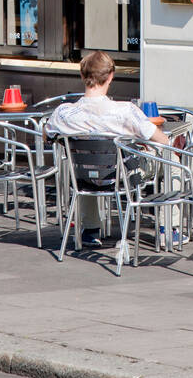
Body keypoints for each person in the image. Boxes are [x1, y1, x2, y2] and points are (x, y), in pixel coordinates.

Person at [45, 50, 170, 248]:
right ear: (110, 76)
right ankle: (170, 230)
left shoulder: (64, 114)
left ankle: (90, 230)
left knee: (85, 161)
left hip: (84, 177)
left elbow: (47, 135)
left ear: (82, 76)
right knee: (173, 159)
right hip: (121, 175)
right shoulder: (125, 111)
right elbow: (162, 141)